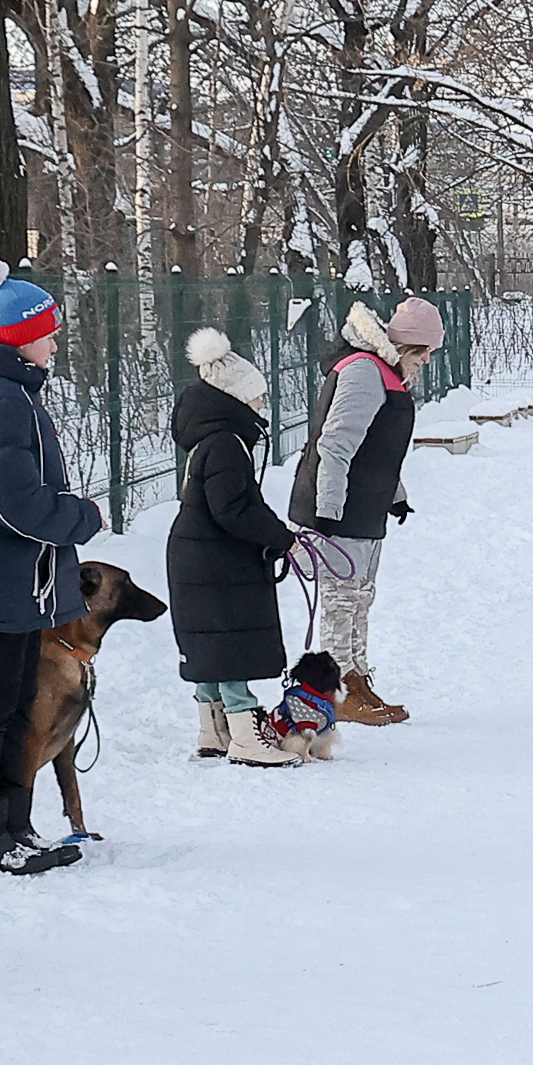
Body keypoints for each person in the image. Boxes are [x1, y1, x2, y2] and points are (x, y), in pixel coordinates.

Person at [0, 261, 105, 873]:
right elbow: (14, 502)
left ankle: (10, 824)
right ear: (18, 337)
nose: (56, 342)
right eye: (49, 332)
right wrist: (79, 518)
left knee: (12, 700)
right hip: (1, 581)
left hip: (10, 580)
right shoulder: (0, 399)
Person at [289, 293, 445, 726]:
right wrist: (327, 511)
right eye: (425, 351)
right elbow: (335, 445)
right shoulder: (363, 372)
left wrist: (395, 494)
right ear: (410, 346)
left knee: (360, 598)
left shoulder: (385, 372)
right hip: (338, 509)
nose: (427, 361)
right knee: (341, 599)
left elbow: (378, 450)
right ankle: (335, 689)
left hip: (363, 507)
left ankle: (356, 680)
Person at [167, 326, 301, 767]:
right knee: (229, 643)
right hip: (215, 557)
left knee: (213, 645)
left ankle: (214, 729)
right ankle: (244, 735)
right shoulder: (227, 443)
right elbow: (235, 509)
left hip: (198, 553)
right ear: (237, 399)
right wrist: (282, 539)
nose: (263, 405)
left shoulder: (212, 438)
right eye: (257, 396)